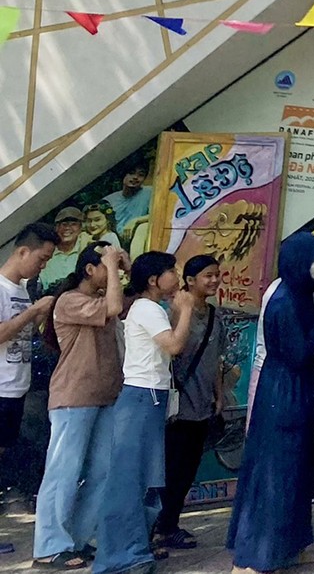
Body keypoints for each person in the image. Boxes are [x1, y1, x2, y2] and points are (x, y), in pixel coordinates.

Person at [229, 235, 314, 574]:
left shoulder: (299, 294)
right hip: (282, 391)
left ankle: (290, 545)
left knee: (297, 473)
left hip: (295, 388)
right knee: (275, 473)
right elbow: (297, 352)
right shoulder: (284, 300)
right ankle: (254, 554)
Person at [93, 252, 195, 574]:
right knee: (129, 480)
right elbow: (174, 345)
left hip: (148, 399)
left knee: (143, 479)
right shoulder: (149, 308)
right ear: (154, 280)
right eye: (171, 271)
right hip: (142, 398)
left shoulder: (148, 306)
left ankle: (134, 549)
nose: (176, 276)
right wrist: (187, 311)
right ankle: (121, 556)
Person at [34, 242, 127, 571]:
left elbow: (119, 299)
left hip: (104, 396)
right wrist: (114, 265)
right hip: (73, 398)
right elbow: (115, 305)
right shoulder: (70, 300)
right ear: (90, 269)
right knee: (63, 473)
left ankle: (74, 539)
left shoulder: (97, 300)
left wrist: (118, 261)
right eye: (104, 266)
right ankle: (48, 545)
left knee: (101, 473)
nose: (112, 272)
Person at [156, 256, 223, 549]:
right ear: (190, 280)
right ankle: (157, 526)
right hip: (176, 406)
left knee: (187, 470)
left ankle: (169, 525)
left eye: (217, 275)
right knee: (170, 468)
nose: (214, 281)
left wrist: (219, 394)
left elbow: (216, 360)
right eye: (207, 276)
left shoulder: (214, 316)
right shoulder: (173, 312)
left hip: (202, 405)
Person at [0, 224, 56, 553]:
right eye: (41, 258)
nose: (43, 265)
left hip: (15, 387)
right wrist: (34, 312)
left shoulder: (20, 289)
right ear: (23, 251)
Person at [106, 174, 152, 245]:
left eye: (141, 174)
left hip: (138, 238)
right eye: (131, 173)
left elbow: (157, 215)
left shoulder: (149, 192)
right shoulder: (109, 200)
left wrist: (135, 221)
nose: (135, 177)